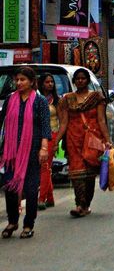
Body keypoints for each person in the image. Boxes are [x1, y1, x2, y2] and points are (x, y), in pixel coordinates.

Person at [0, 67, 51, 239]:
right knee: (10, 187)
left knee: (30, 189)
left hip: (32, 150)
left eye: (22, 79)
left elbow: (45, 125)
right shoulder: (9, 100)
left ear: (31, 81)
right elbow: (2, 123)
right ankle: (12, 221)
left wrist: (44, 148)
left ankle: (29, 224)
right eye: (17, 80)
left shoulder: (40, 101)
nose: (19, 83)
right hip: (11, 151)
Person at [55, 68, 112, 218]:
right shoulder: (67, 99)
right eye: (78, 78)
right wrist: (56, 141)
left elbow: (101, 120)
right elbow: (64, 123)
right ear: (74, 81)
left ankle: (86, 205)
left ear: (88, 80)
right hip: (73, 138)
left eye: (83, 78)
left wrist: (107, 140)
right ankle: (79, 204)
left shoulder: (96, 98)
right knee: (77, 173)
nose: (80, 81)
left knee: (89, 174)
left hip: (92, 138)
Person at [37, 73, 60, 210]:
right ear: (41, 83)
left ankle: (41, 198)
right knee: (45, 167)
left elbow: (62, 120)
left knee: (45, 166)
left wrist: (58, 140)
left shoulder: (57, 100)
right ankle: (50, 198)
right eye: (47, 82)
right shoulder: (37, 99)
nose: (50, 84)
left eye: (52, 81)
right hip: (38, 137)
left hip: (52, 135)